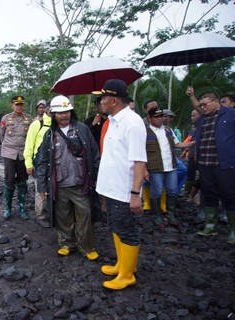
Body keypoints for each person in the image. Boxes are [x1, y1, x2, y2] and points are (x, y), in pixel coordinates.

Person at [93, 79, 147, 290]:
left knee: (127, 230)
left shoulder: (132, 123)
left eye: (103, 98)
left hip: (124, 190)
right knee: (116, 226)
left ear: (113, 100)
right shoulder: (114, 120)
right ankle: (121, 264)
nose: (101, 101)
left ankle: (127, 274)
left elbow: (139, 161)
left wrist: (135, 193)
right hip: (111, 188)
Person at [36, 95, 100, 260]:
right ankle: (66, 244)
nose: (64, 116)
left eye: (66, 112)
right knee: (63, 217)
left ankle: (86, 247)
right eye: (60, 113)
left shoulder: (82, 129)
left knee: (85, 215)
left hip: (81, 183)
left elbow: (95, 154)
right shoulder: (49, 135)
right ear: (54, 115)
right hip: (59, 185)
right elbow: (42, 162)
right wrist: (42, 187)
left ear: (71, 112)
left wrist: (97, 177)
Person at [193, 92, 235, 244]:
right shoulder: (202, 119)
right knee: (209, 195)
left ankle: (233, 230)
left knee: (229, 195)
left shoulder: (230, 114)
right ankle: (210, 225)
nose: (202, 107)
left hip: (225, 164)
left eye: (205, 104)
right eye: (201, 105)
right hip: (205, 164)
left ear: (216, 101)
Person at [145, 107, 195, 229]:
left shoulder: (168, 131)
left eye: (161, 116)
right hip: (155, 167)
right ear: (150, 118)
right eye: (157, 116)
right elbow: (141, 152)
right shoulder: (144, 132)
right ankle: (157, 215)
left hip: (170, 166)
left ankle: (170, 213)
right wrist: (144, 169)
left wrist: (193, 143)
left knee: (172, 190)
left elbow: (178, 144)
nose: (160, 118)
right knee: (157, 190)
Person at [0, 95, 33, 220]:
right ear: (12, 105)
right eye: (16, 104)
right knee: (9, 180)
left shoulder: (29, 119)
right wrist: (6, 148)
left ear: (24, 105)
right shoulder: (6, 118)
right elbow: (2, 135)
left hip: (24, 154)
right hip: (9, 153)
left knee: (22, 181)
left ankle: (21, 208)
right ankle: (7, 208)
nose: (19, 106)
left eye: (21, 104)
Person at [24, 100, 51, 228]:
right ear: (46, 110)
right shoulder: (37, 124)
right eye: (49, 109)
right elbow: (29, 144)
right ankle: (40, 215)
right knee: (40, 190)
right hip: (39, 163)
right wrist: (28, 162)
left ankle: (51, 213)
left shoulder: (58, 124)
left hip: (54, 163)